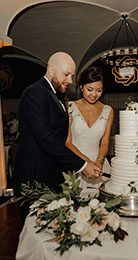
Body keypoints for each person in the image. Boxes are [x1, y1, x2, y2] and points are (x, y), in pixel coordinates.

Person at [12, 52, 101, 197]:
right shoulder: (35, 93)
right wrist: (82, 165)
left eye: (71, 75)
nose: (70, 80)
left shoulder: (57, 95)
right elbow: (46, 139)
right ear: (51, 70)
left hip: (53, 174)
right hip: (35, 177)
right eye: (66, 74)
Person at [65, 66, 114, 189]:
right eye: (90, 89)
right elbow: (68, 142)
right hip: (75, 162)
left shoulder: (108, 110)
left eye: (99, 90)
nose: (94, 94)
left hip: (99, 166)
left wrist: (99, 160)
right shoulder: (70, 108)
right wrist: (86, 163)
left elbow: (104, 142)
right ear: (81, 87)